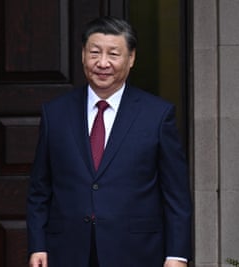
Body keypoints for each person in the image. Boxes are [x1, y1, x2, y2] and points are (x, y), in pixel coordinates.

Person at [26, 16, 192, 267]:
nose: (102, 63)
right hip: (68, 251)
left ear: (131, 58)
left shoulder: (157, 115)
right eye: (94, 53)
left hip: (136, 252)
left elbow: (176, 194)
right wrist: (37, 244)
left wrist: (176, 255)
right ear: (83, 55)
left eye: (113, 54)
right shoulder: (55, 113)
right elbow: (40, 189)